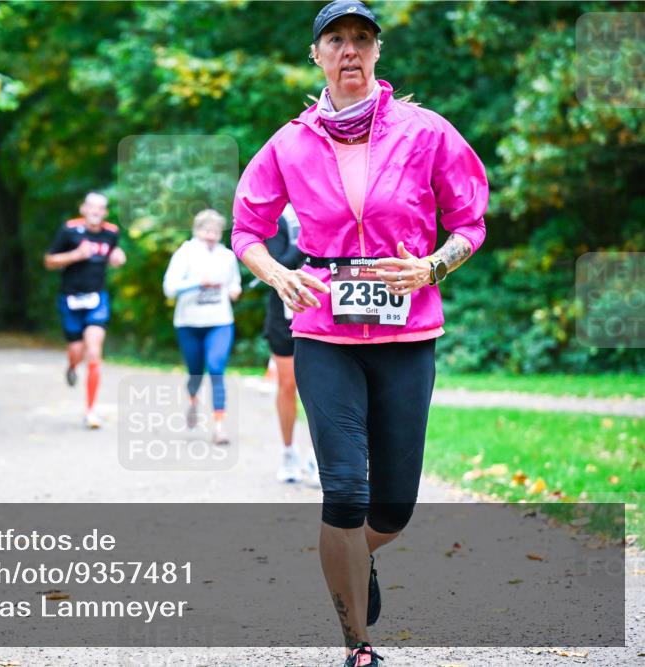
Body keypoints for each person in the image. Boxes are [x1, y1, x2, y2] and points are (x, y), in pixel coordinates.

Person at [231, 1, 489, 664]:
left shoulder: (427, 132)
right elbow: (246, 230)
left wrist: (431, 264)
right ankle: (358, 645)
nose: (350, 51)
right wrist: (277, 276)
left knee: (393, 508)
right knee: (344, 488)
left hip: (408, 334)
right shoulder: (289, 142)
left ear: (377, 53)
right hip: (323, 332)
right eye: (336, 40)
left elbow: (470, 221)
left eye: (362, 40)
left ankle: (349, 554)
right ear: (316, 55)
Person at [44, 192, 127, 429]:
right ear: (83, 208)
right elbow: (49, 261)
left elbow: (114, 253)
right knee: (76, 352)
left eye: (101, 208)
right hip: (70, 299)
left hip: (96, 299)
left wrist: (117, 256)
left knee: (93, 352)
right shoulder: (69, 230)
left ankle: (90, 410)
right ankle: (71, 366)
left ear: (105, 212)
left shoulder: (111, 232)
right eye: (92, 207)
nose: (96, 211)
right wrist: (75, 255)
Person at [162, 209, 242, 446]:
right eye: (207, 230)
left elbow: (233, 282)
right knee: (195, 373)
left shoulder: (227, 256)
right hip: (188, 323)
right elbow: (169, 288)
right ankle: (193, 399)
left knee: (217, 369)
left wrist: (234, 290)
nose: (211, 235)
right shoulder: (184, 254)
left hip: (220, 321)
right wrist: (199, 283)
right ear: (197, 230)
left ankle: (219, 428)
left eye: (216, 232)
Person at [264, 204, 320, 485]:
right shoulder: (280, 216)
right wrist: (309, 237)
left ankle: (318, 456)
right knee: (288, 385)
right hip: (284, 313)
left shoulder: (329, 202)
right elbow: (279, 262)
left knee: (322, 388)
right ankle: (288, 453)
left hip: (323, 308)